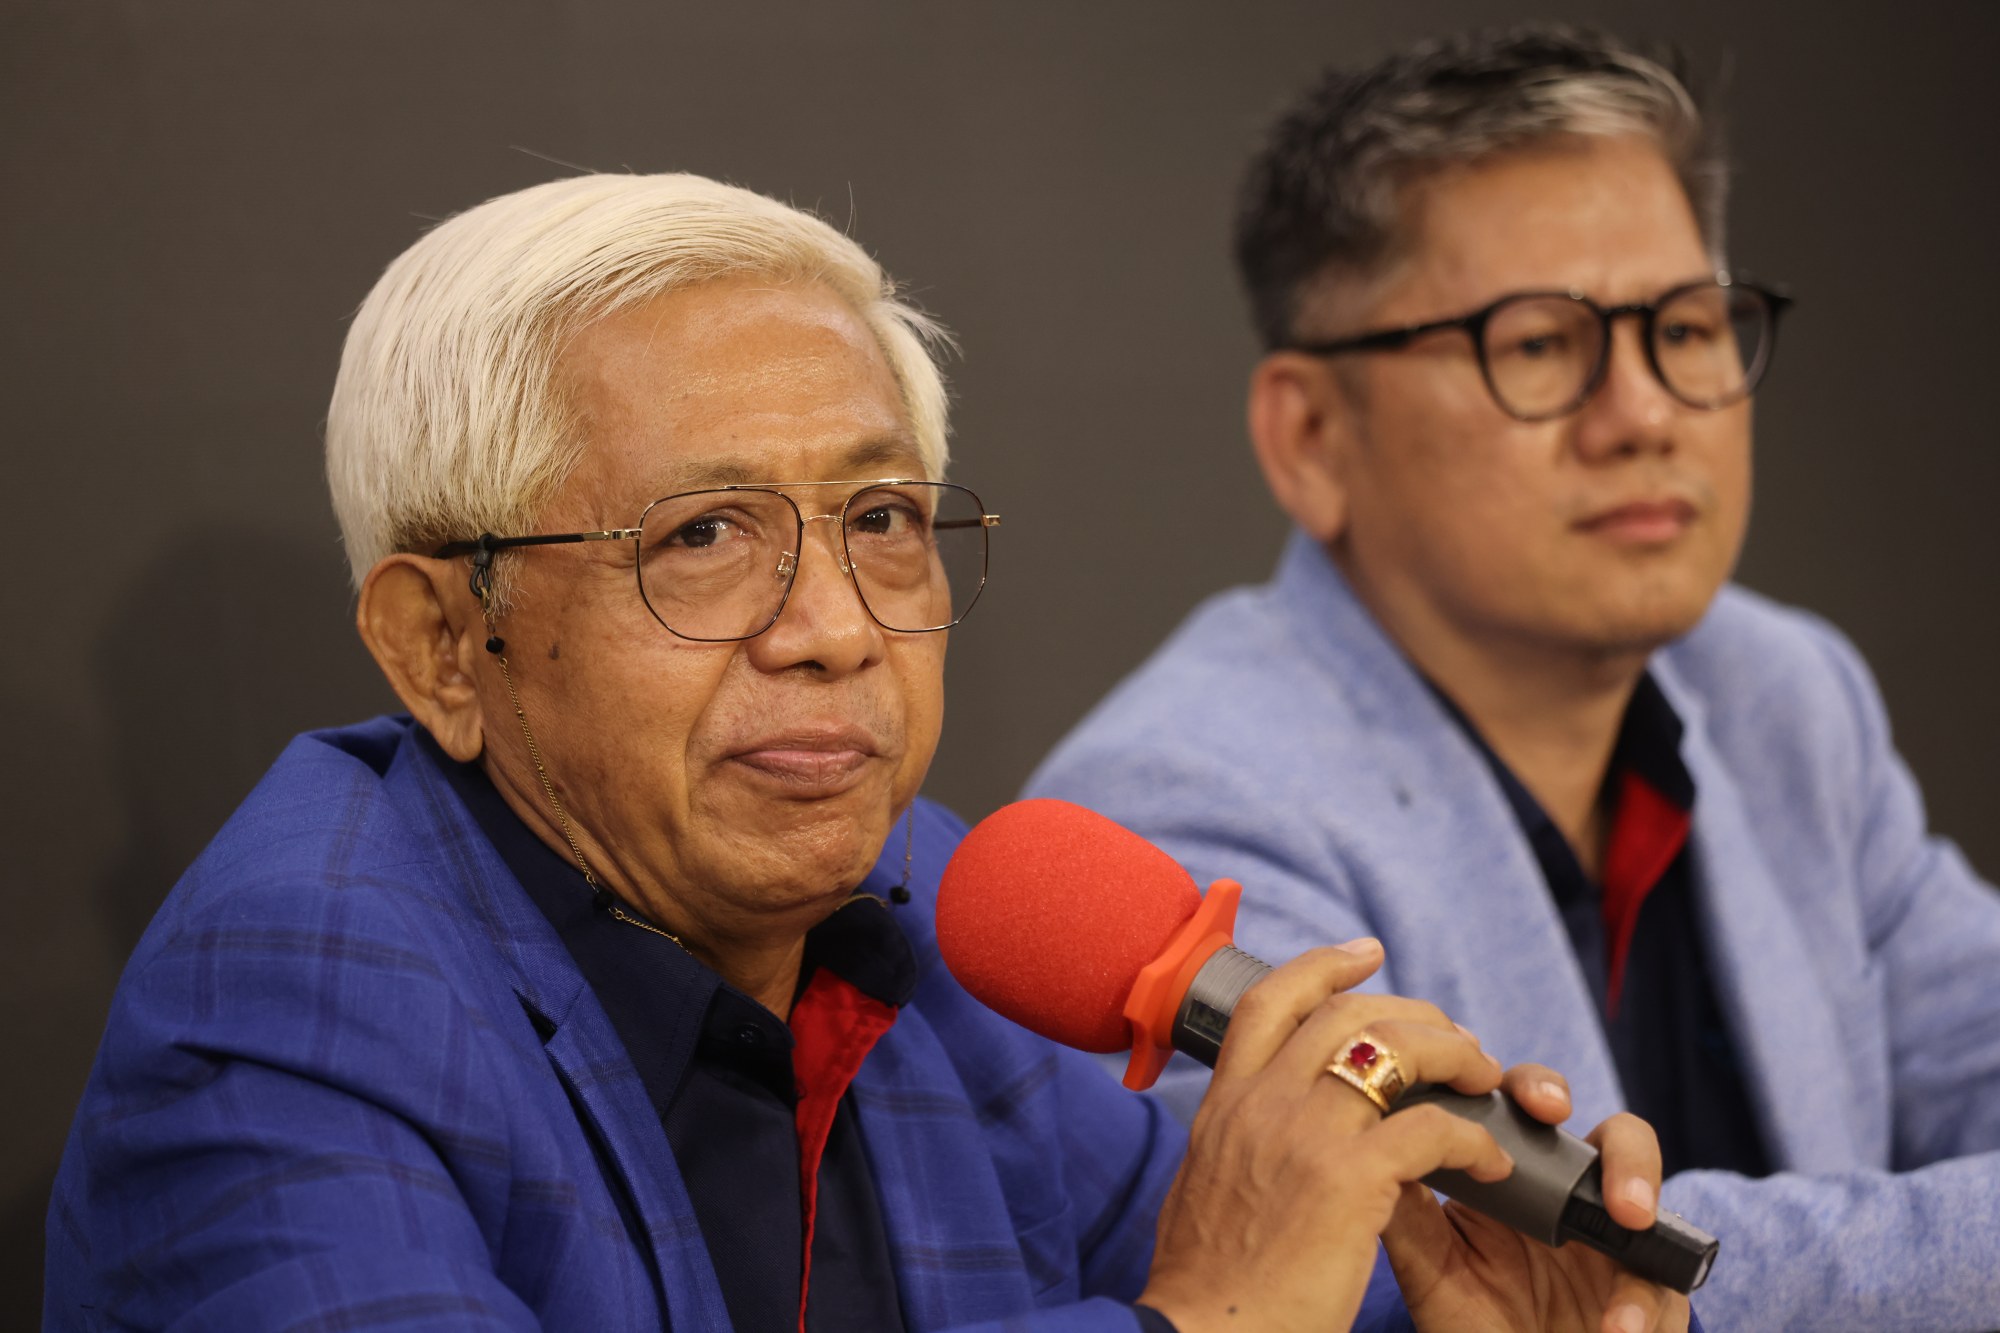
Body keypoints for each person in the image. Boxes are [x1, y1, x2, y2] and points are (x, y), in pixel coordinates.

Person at [45, 172, 1687, 1333]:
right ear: (438, 644)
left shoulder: (937, 897)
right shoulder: (288, 1002)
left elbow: (1228, 1272)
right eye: (702, 536)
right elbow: (1214, 1302)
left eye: (883, 521)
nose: (834, 623)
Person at [1027, 23, 2000, 1333]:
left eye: (1689, 325)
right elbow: (1442, 1279)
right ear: (1311, 437)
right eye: (1540, 344)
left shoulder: (1782, 691)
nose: (1647, 411)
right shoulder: (1184, 810)